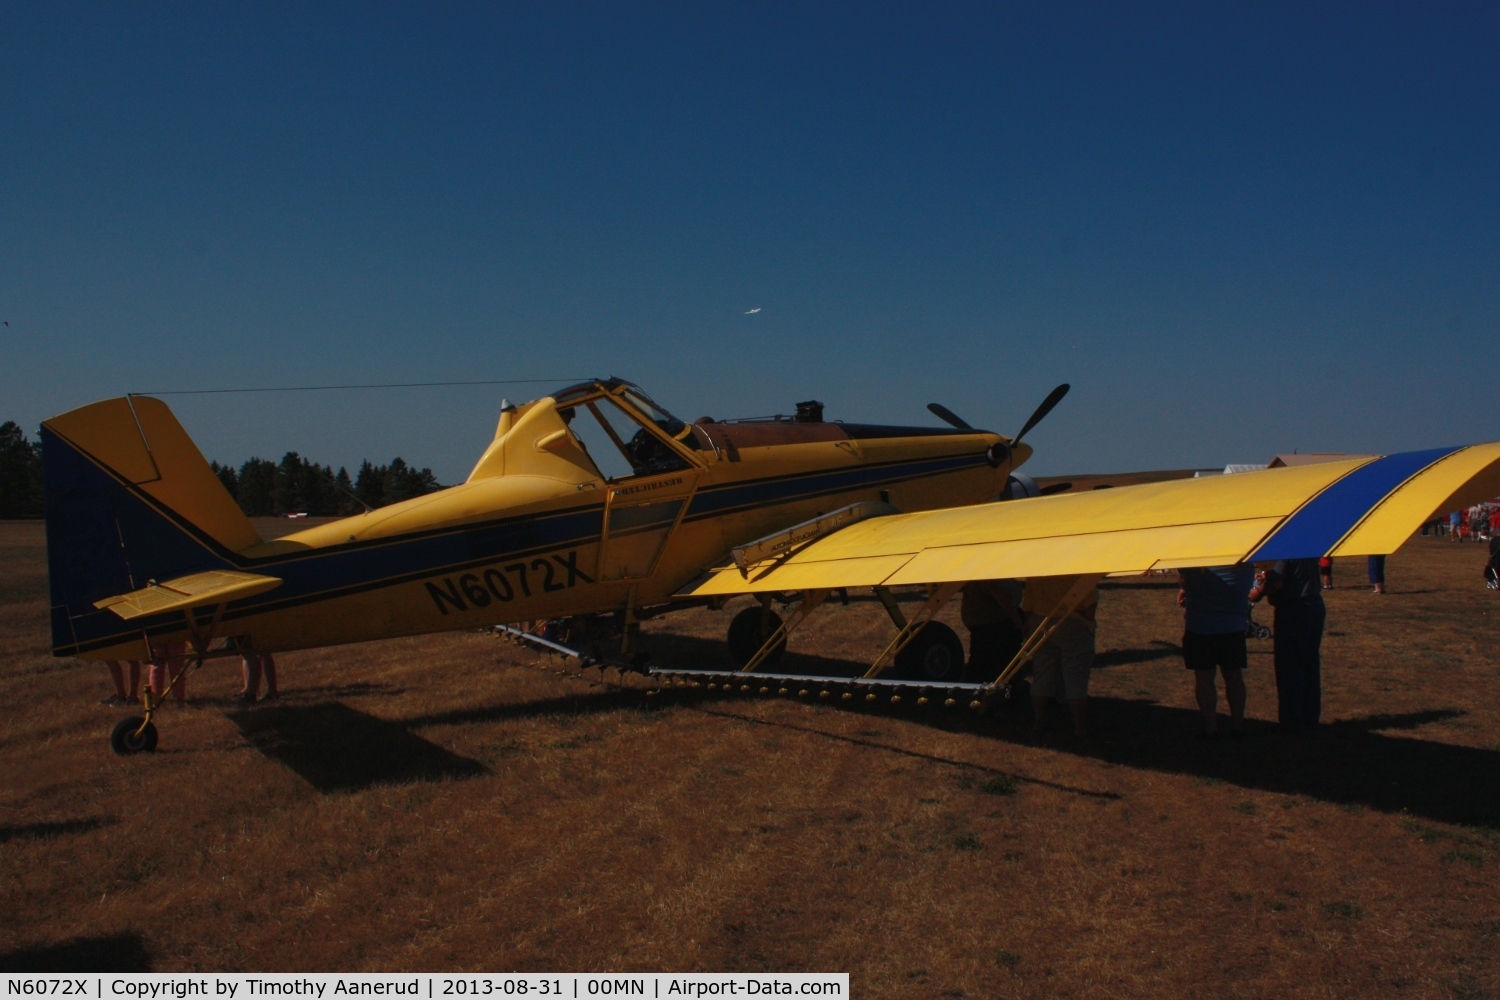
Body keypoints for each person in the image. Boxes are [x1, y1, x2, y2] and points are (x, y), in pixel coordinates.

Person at [1178, 565, 1256, 737]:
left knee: (1204, 677)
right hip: (1233, 626)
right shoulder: (1243, 560)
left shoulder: (1194, 556)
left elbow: (1184, 578)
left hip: (1200, 626)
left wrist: (1185, 589)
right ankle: (1238, 725)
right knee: (1234, 676)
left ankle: (1211, 728)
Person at [1021, 576, 1099, 738]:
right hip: (1072, 624)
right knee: (1075, 676)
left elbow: (1027, 607)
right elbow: (1089, 611)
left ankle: (1039, 722)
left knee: (1041, 674)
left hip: (1040, 623)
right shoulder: (1082, 575)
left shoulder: (1036, 575)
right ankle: (1079, 728)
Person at [1255, 558, 1325, 733]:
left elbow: (1276, 583)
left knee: (1290, 666)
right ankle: (1310, 717)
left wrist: (1258, 592)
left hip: (1294, 608)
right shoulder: (1307, 548)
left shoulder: (1284, 551)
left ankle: (1292, 721)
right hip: (1313, 604)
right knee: (1310, 664)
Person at [960, 579, 1026, 685]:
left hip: (986, 622)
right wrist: (1015, 617)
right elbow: (998, 593)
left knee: (982, 657)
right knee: (991, 659)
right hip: (990, 622)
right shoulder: (988, 578)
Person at [147, 640, 189, 706]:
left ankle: (155, 698)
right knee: (177, 665)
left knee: (157, 665)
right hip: (175, 634)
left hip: (155, 634)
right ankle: (179, 698)